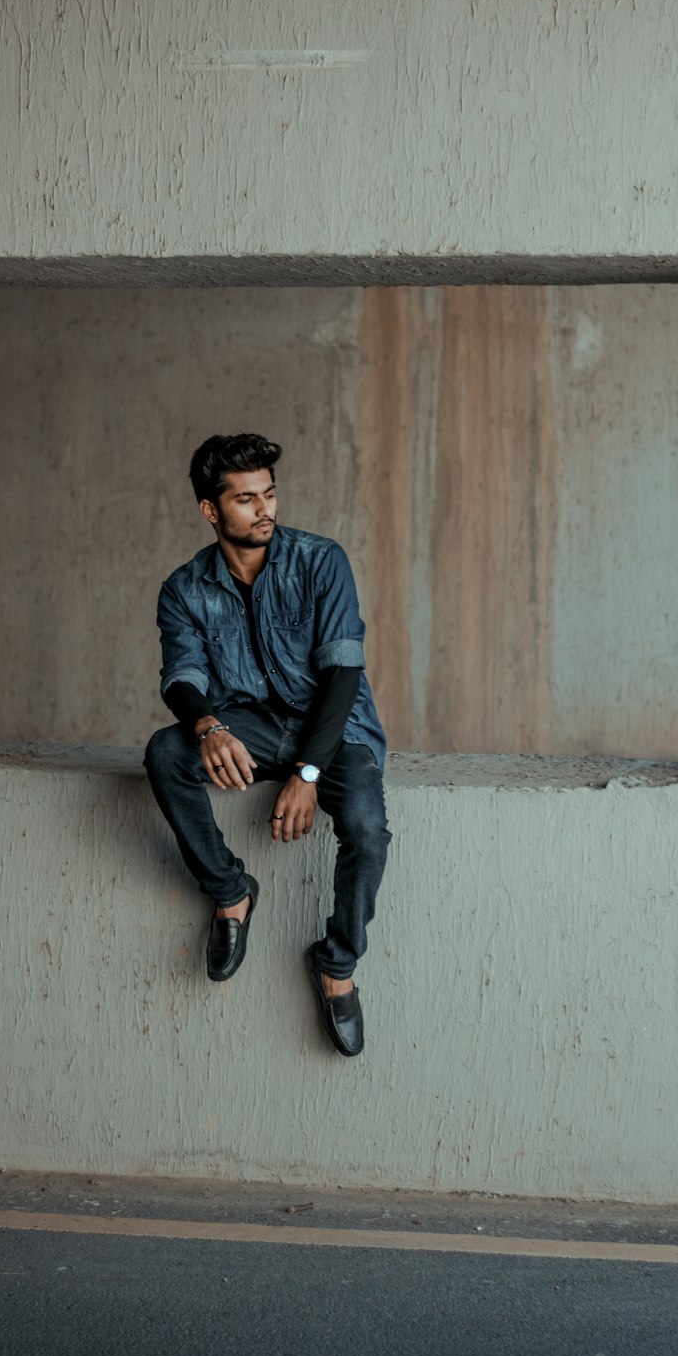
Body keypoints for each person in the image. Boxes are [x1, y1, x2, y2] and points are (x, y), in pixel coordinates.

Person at [144, 433, 391, 1056]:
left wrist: (308, 772)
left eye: (270, 494)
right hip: (250, 727)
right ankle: (231, 893)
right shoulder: (184, 589)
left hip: (335, 733)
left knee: (365, 825)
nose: (264, 510)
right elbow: (183, 678)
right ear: (211, 510)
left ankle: (336, 966)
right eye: (246, 498)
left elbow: (342, 672)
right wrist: (208, 726)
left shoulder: (319, 561)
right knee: (166, 753)